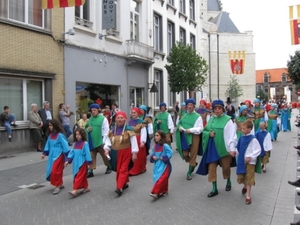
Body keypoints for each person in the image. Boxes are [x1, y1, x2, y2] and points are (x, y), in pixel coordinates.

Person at [196, 99, 237, 198]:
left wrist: (232, 148)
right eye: (215, 108)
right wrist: (208, 134)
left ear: (223, 109)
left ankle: (228, 180)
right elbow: (205, 131)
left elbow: (232, 136)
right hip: (212, 149)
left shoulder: (228, 120)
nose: (217, 110)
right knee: (211, 168)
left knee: (226, 167)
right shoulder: (212, 119)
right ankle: (214, 188)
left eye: (219, 108)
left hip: (224, 149)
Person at [104, 111, 138, 196]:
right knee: (119, 169)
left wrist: (134, 153)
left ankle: (119, 188)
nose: (120, 119)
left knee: (123, 169)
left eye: (121, 118)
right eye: (118, 118)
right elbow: (108, 141)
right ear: (116, 119)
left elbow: (134, 142)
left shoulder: (129, 130)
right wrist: (107, 149)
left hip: (126, 152)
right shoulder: (112, 131)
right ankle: (124, 183)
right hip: (115, 153)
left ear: (125, 119)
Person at [176, 98, 203, 180]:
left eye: (191, 105)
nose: (189, 107)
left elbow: (200, 128)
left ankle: (189, 172)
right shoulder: (184, 116)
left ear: (194, 106)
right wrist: (180, 127)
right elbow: (179, 124)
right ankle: (193, 163)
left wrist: (191, 130)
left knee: (193, 155)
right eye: (188, 105)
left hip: (194, 137)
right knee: (185, 154)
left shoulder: (198, 116)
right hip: (185, 137)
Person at [41, 119, 70, 195]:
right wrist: (44, 153)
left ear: (55, 126)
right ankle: (60, 183)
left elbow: (65, 145)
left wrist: (68, 156)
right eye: (49, 125)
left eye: (51, 125)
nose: (49, 127)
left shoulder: (60, 135)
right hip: (52, 155)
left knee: (55, 170)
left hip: (59, 154)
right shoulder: (50, 136)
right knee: (53, 169)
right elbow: (47, 145)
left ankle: (57, 186)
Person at [236, 120, 261, 205]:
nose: (242, 130)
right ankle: (245, 185)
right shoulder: (242, 137)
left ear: (249, 129)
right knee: (241, 177)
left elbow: (258, 150)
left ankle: (248, 196)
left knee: (249, 178)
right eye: (242, 128)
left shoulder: (253, 139)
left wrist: (251, 157)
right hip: (242, 161)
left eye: (244, 128)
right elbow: (238, 148)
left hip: (250, 163)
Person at [64, 127, 92, 197]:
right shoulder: (75, 144)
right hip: (76, 163)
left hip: (82, 163)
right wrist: (67, 160)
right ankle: (87, 187)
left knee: (78, 176)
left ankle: (75, 190)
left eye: (79, 134)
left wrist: (89, 163)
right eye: (76, 134)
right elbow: (72, 153)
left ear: (82, 135)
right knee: (79, 175)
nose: (77, 136)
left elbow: (87, 153)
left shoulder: (85, 143)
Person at [85, 103, 111, 178]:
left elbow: (106, 130)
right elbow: (86, 128)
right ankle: (91, 170)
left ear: (98, 110)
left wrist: (105, 141)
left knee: (104, 154)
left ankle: (109, 166)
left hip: (100, 140)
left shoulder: (103, 118)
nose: (93, 112)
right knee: (91, 155)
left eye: (94, 110)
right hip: (92, 141)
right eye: (92, 110)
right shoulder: (90, 119)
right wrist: (87, 129)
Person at [149, 130, 173, 199]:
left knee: (161, 178)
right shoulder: (154, 147)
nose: (155, 137)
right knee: (158, 177)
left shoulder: (165, 145)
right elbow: (153, 153)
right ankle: (164, 190)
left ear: (161, 137)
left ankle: (155, 192)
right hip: (157, 165)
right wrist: (153, 156)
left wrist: (164, 157)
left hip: (164, 165)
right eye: (155, 135)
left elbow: (170, 152)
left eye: (157, 135)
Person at [128, 107, 147, 176]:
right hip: (130, 140)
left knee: (139, 156)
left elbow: (143, 132)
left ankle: (139, 169)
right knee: (131, 155)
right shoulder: (129, 122)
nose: (133, 114)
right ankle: (131, 169)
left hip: (138, 139)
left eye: (134, 113)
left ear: (138, 114)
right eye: (132, 113)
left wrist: (142, 141)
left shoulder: (141, 122)